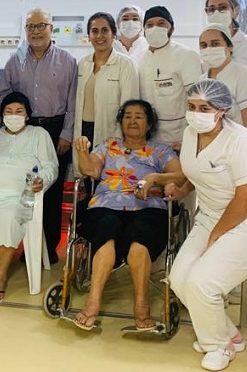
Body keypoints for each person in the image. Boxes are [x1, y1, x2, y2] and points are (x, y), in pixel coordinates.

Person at [166, 79, 247, 372]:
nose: (196, 113)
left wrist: (216, 236)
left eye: (204, 108)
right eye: (191, 107)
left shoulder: (241, 140)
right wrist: (183, 189)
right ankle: (228, 335)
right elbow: (199, 171)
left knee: (203, 283)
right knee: (180, 280)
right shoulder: (191, 133)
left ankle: (219, 346)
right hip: (211, 215)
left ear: (221, 110)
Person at [71, 100, 182, 331]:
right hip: (106, 204)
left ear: (149, 123)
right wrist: (82, 152)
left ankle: (141, 306)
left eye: (139, 116)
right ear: (121, 122)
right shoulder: (108, 146)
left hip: (148, 206)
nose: (132, 121)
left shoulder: (160, 150)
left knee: (139, 238)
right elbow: (91, 170)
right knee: (106, 229)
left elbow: (180, 174)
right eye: (128, 116)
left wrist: (156, 179)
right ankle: (93, 302)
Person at [0, 7, 76, 264]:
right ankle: (21, 244)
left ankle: (47, 248)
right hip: (22, 129)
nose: (37, 31)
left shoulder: (67, 61)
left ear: (52, 29)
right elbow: (2, 94)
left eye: (42, 26)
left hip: (54, 129)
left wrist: (66, 133)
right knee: (23, 185)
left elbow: (74, 101)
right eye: (31, 27)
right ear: (25, 31)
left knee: (50, 190)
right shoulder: (15, 61)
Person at [0, 92, 58, 304]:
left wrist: (42, 181)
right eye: (8, 112)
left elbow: (51, 166)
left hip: (22, 195)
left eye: (19, 112)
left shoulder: (39, 134)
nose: (13, 116)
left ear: (27, 116)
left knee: (8, 216)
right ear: (1, 115)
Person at [74, 12, 138, 158]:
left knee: (106, 175)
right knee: (84, 172)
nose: (99, 36)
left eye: (105, 30)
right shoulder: (83, 64)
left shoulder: (125, 64)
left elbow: (129, 106)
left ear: (113, 34)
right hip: (83, 130)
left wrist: (118, 136)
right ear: (89, 36)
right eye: (94, 31)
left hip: (110, 131)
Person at [138, 5, 201, 149]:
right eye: (150, 25)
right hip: (149, 138)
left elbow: (198, 100)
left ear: (171, 28)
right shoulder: (140, 59)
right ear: (144, 30)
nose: (155, 28)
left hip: (180, 138)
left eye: (161, 24)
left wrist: (195, 139)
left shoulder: (186, 56)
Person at [199, 23, 247, 128]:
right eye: (204, 45)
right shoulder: (202, 79)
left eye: (215, 44)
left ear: (230, 47)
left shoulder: (243, 74)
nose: (209, 49)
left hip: (237, 139)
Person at [205, 0, 247, 70]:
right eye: (211, 9)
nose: (216, 13)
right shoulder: (205, 44)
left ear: (236, 11)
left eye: (223, 8)